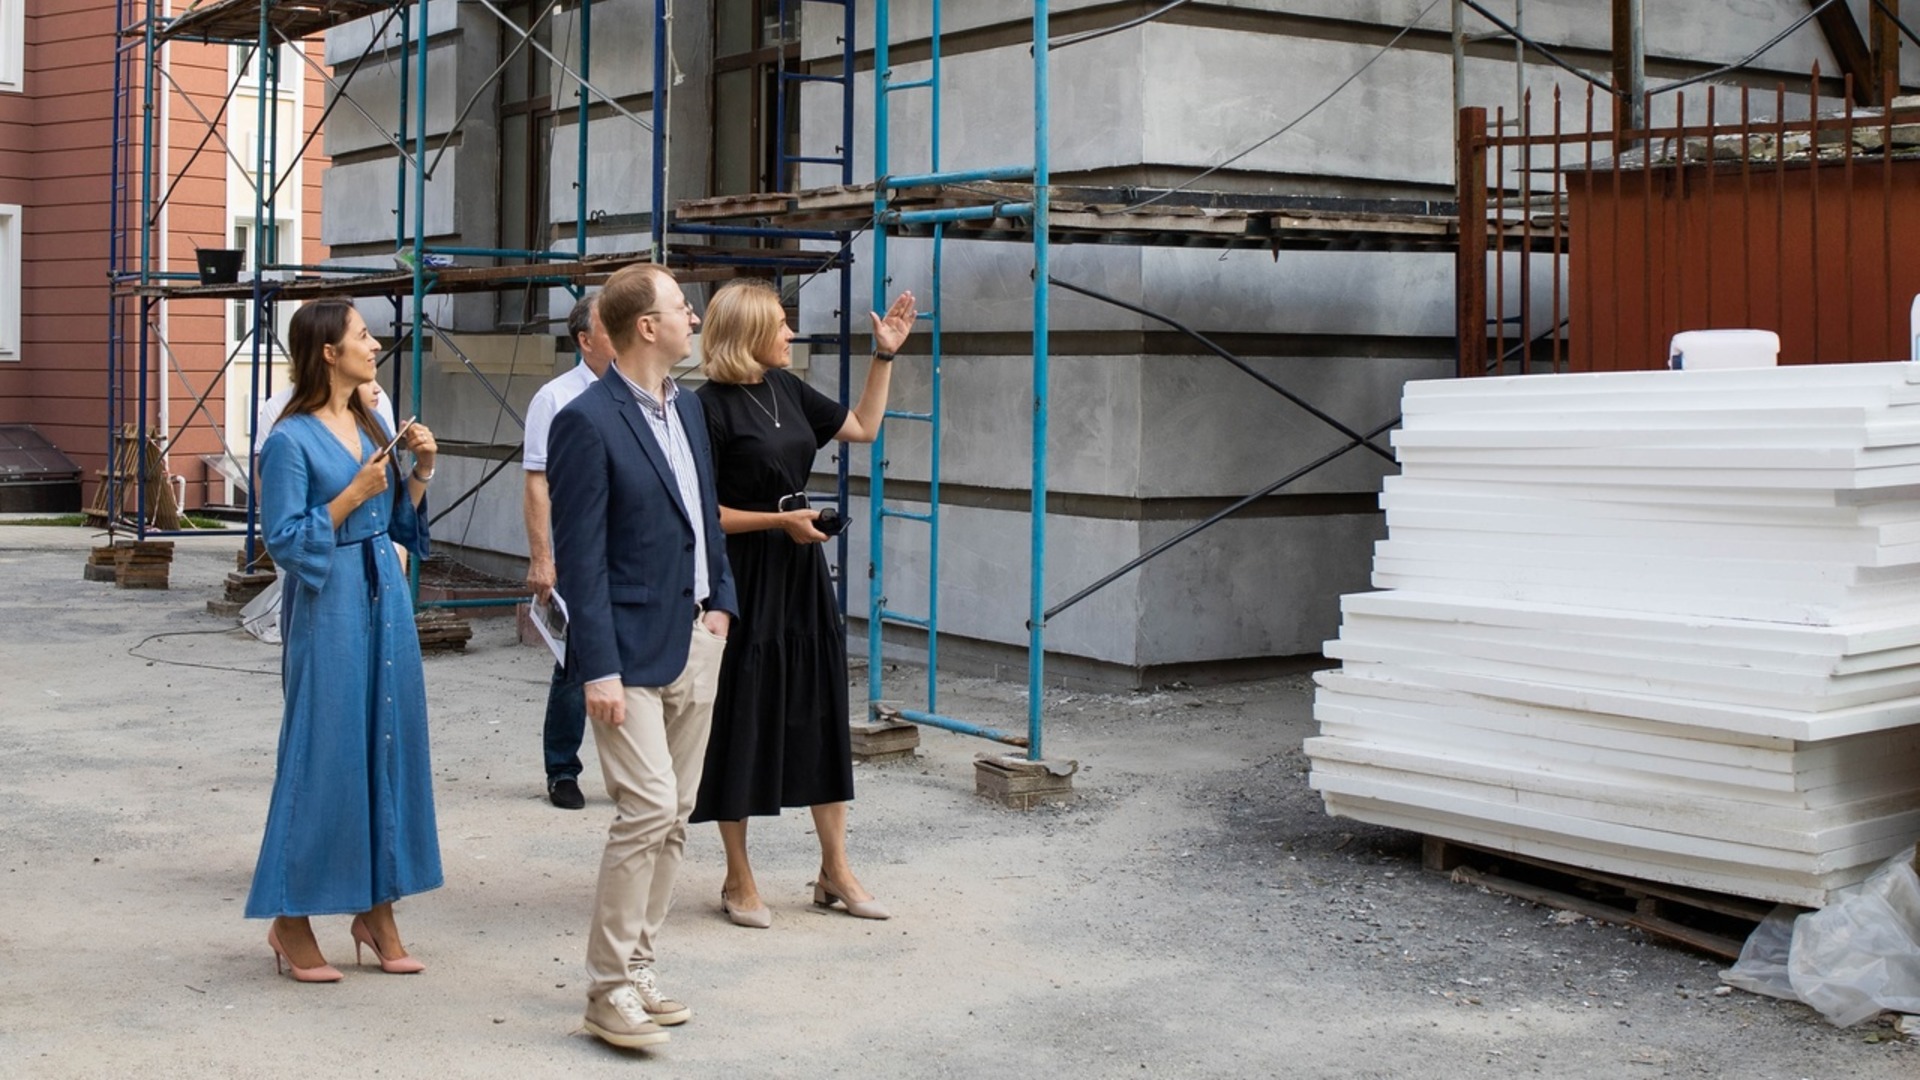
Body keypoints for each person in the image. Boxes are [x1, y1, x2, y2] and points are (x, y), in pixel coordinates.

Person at [547, 264, 736, 1050]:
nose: (695, 317)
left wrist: (722, 605)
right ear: (647, 328)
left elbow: (703, 518)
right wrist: (597, 667)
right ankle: (607, 989)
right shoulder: (586, 422)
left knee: (677, 816)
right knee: (649, 808)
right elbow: (579, 559)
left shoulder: (687, 407)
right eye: (682, 307)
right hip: (624, 653)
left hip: (697, 636)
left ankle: (639, 967)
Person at [690, 279, 916, 928]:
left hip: (801, 568)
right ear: (748, 333)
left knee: (819, 707)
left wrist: (885, 354)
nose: (791, 333)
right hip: (741, 577)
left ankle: (834, 870)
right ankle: (738, 876)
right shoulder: (703, 408)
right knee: (739, 715)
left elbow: (863, 429)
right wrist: (779, 520)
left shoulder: (786, 389)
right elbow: (703, 514)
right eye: (780, 324)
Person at [245, 296, 441, 982]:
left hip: (385, 598)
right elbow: (283, 541)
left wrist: (421, 470)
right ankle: (290, 919)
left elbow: (395, 522)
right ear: (329, 353)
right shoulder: (289, 440)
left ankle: (376, 912)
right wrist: (351, 494)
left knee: (387, 743)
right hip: (327, 603)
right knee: (323, 751)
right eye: (362, 335)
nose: (375, 344)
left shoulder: (370, 421)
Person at [523, 294, 618, 810]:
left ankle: (632, 771)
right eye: (611, 326)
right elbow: (537, 483)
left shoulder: (645, 390)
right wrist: (542, 557)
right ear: (585, 340)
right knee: (576, 659)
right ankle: (562, 769)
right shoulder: (556, 398)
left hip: (632, 544)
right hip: (581, 546)